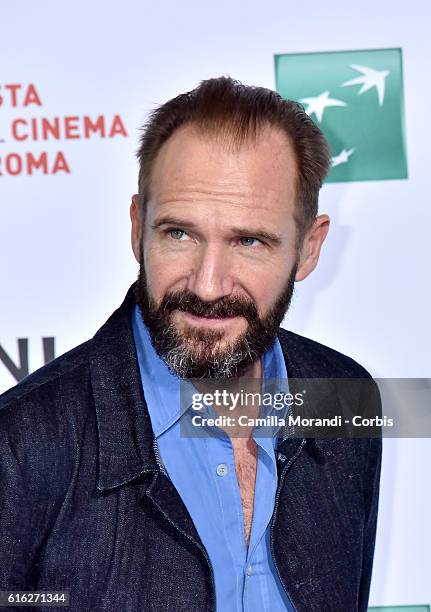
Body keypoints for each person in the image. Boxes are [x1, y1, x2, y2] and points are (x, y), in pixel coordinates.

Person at [0, 76, 381, 612]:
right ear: (138, 227)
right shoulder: (20, 446)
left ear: (310, 248)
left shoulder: (344, 397)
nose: (207, 285)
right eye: (179, 234)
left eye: (249, 242)